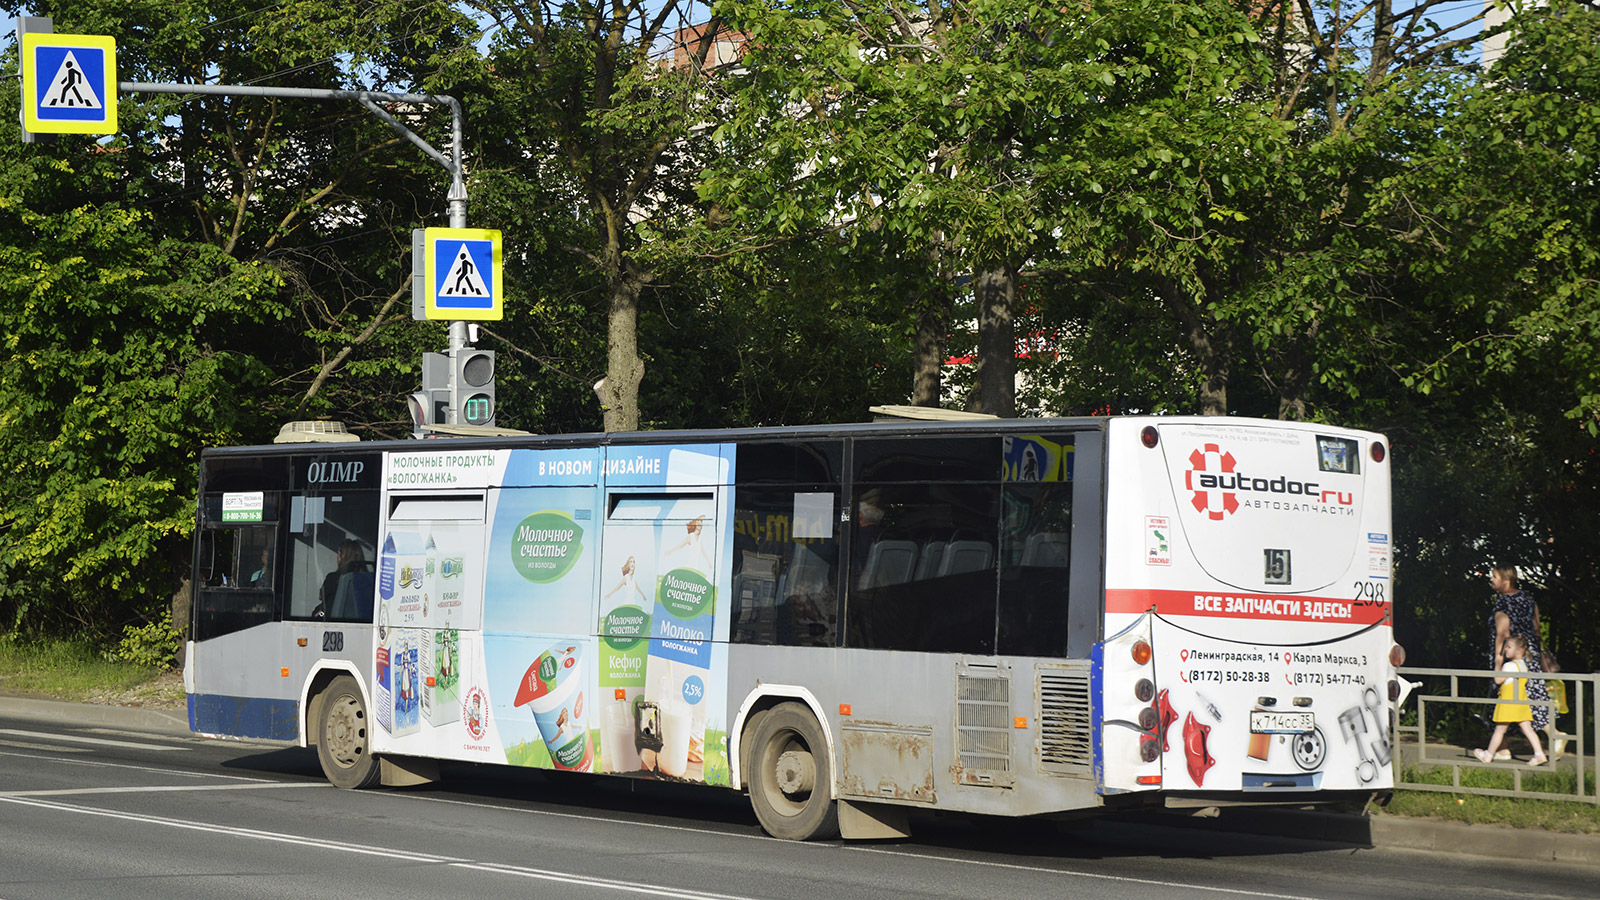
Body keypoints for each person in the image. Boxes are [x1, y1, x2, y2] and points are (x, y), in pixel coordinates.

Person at [1486, 565, 1551, 759]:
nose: (1491, 580)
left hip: (1509, 656)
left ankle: (1553, 735)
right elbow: (1537, 627)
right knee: (1529, 698)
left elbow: (1503, 633)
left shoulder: (1503, 603)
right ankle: (1503, 748)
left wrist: (1499, 656)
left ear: (1505, 580)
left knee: (1503, 697)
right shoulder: (1528, 599)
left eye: (1494, 577)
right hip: (1529, 655)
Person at [1474, 634, 1547, 766]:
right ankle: (1539, 754)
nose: (1505, 649)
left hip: (1508, 701)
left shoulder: (1509, 666)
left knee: (1500, 729)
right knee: (1528, 729)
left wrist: (1497, 664)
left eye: (1508, 647)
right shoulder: (1523, 665)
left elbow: (1497, 680)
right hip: (1521, 701)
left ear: (1519, 650)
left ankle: (1488, 755)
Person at [318, 539, 367, 619]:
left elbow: (321, 597)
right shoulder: (367, 579)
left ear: (342, 557)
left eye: (338, 554)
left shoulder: (333, 578)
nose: (336, 557)